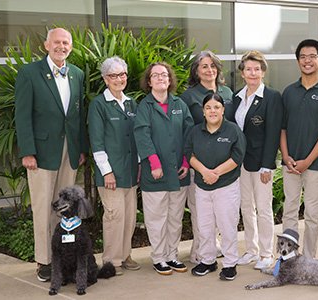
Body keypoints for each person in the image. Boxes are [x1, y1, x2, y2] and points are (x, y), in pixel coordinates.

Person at [15, 27, 87, 282]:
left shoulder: (77, 74)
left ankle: (65, 258)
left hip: (70, 151)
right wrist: (28, 152)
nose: (61, 46)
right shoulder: (29, 73)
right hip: (42, 153)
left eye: (66, 42)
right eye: (57, 42)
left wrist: (80, 149)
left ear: (71, 46)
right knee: (44, 208)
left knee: (67, 208)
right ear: (46, 45)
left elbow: (77, 116)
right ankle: (45, 261)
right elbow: (22, 116)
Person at [280, 39, 318, 259]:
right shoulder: (289, 92)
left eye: (312, 56)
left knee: (313, 214)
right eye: (303, 57)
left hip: (315, 165)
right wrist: (286, 157)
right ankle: (288, 257)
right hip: (290, 164)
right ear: (298, 62)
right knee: (289, 211)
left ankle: (308, 259)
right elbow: (282, 128)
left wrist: (307, 161)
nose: (307, 61)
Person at [134, 62, 194, 275]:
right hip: (155, 173)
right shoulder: (144, 106)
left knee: (175, 217)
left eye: (164, 75)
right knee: (156, 217)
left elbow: (189, 135)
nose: (161, 78)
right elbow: (142, 135)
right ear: (149, 81)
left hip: (179, 171)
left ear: (170, 80)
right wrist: (154, 164)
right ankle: (159, 257)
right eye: (155, 75)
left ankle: (172, 256)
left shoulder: (180, 104)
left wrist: (187, 162)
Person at [225, 50, 283, 270]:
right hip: (239, 164)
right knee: (246, 208)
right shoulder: (236, 97)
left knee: (264, 208)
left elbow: (273, 133)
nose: (253, 73)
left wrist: (268, 164)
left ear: (263, 72)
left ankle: (267, 253)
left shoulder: (271, 97)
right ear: (242, 73)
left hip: (261, 164)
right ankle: (251, 250)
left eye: (257, 69)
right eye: (248, 69)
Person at [87, 57, 140, 276]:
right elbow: (96, 141)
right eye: (113, 75)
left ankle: (125, 255)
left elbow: (137, 137)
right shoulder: (99, 105)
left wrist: (138, 165)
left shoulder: (131, 103)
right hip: (111, 173)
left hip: (130, 172)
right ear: (105, 79)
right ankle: (111, 261)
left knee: (129, 217)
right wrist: (106, 171)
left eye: (122, 74)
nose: (119, 79)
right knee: (114, 216)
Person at [185, 93, 246, 281]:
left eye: (217, 107)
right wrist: (205, 172)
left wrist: (216, 173)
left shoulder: (233, 131)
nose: (213, 111)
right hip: (203, 187)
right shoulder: (195, 131)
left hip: (226, 187)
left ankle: (229, 263)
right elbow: (189, 153)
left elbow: (237, 157)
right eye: (209, 108)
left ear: (223, 110)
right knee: (204, 226)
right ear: (203, 111)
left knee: (227, 226)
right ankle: (208, 261)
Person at [180, 50, 233, 264]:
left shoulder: (228, 92)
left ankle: (214, 244)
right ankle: (200, 249)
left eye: (212, 65)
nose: (209, 70)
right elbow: (184, 131)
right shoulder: (189, 96)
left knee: (220, 207)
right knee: (199, 208)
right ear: (196, 70)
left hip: (225, 160)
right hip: (199, 162)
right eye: (204, 66)